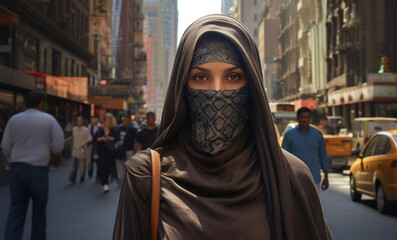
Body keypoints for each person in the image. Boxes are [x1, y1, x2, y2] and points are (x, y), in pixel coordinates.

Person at [113, 15, 332, 239]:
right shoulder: (146, 177)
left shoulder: (291, 177)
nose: (217, 92)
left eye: (233, 76)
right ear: (182, 86)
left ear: (253, 85)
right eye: (200, 77)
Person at [1, 90, 64, 240]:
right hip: (38, 170)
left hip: (16, 168)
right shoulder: (48, 120)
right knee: (39, 212)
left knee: (16, 210)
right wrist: (49, 151)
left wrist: (13, 156)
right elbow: (58, 145)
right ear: (41, 102)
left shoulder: (14, 120)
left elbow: (5, 146)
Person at [282, 107, 330, 193]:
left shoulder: (317, 134)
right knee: (296, 206)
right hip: (295, 180)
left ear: (310, 118)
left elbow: (323, 155)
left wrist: (326, 177)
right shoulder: (289, 135)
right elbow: (283, 158)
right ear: (298, 118)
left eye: (307, 117)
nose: (305, 119)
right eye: (303, 117)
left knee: (314, 206)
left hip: (314, 178)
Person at [94, 112, 118, 192]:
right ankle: (103, 183)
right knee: (102, 167)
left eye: (109, 120)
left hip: (110, 152)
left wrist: (110, 138)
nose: (108, 122)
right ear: (104, 121)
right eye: (106, 120)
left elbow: (116, 139)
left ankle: (106, 183)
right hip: (101, 151)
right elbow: (94, 139)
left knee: (108, 167)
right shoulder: (99, 130)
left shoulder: (113, 130)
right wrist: (100, 139)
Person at [66, 116, 92, 184]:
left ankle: (82, 176)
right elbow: (73, 137)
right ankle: (72, 178)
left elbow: (89, 138)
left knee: (82, 165)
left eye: (80, 120)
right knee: (73, 165)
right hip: (75, 148)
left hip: (82, 149)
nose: (79, 122)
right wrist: (68, 139)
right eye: (78, 120)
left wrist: (85, 143)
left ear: (82, 121)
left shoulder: (86, 130)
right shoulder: (74, 129)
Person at [115, 115, 138, 183]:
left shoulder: (132, 129)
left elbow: (135, 140)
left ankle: (127, 178)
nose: (126, 122)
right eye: (125, 120)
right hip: (120, 149)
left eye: (127, 120)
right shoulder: (119, 128)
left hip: (129, 149)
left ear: (130, 121)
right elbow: (116, 138)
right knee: (120, 164)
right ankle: (120, 178)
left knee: (128, 164)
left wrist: (134, 149)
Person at [87, 115, 101, 180]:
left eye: (94, 119)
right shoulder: (90, 127)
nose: (93, 121)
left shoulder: (100, 126)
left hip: (98, 145)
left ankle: (98, 174)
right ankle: (90, 170)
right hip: (91, 145)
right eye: (92, 119)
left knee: (98, 160)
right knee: (90, 160)